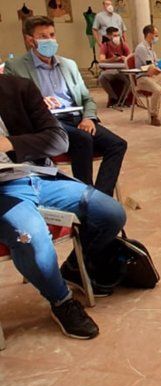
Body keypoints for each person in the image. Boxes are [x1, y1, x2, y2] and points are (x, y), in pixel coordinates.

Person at [0, 72, 127, 338]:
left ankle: (73, 268)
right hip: (4, 192)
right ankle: (62, 300)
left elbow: (58, 139)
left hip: (37, 175)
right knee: (31, 238)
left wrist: (10, 143)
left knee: (111, 213)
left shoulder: (17, 87)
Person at [9, 16, 128, 197]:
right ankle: (84, 197)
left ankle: (100, 198)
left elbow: (87, 98)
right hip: (47, 122)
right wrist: (38, 102)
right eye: (42, 36)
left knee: (117, 144)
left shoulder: (69, 65)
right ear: (30, 40)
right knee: (83, 139)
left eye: (52, 34)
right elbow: (13, 105)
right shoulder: (16, 67)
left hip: (77, 117)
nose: (49, 40)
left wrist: (89, 118)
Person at [96, 26, 131, 107]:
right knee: (102, 78)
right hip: (110, 70)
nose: (117, 37)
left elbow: (130, 57)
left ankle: (124, 98)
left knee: (129, 80)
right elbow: (101, 60)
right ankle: (113, 98)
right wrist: (112, 59)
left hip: (122, 70)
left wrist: (125, 58)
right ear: (108, 36)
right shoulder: (105, 45)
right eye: (114, 35)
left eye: (118, 35)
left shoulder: (123, 44)